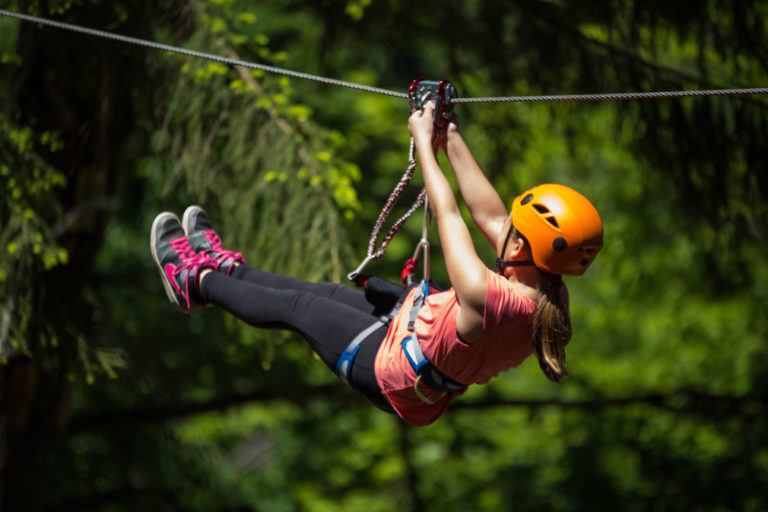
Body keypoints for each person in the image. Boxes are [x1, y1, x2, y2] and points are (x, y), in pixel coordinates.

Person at [150, 102, 604, 426]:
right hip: (412, 337)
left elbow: (450, 213)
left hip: (393, 373)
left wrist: (426, 144)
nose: (507, 228)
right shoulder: (549, 290)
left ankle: (196, 279)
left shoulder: (491, 297)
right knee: (314, 293)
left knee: (297, 309)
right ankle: (225, 269)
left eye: (516, 232)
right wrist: (451, 134)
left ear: (524, 249)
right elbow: (489, 214)